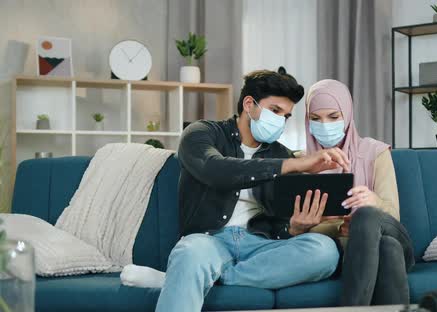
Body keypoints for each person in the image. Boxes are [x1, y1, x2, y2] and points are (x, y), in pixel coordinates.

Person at [122, 69, 351, 312]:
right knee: (190, 253)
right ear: (249, 104)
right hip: (208, 241)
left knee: (324, 251)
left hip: (261, 245)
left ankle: (189, 279)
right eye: (275, 111)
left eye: (286, 116)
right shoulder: (201, 133)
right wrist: (294, 163)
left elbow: (279, 221)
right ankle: (191, 273)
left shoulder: (279, 153)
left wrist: (296, 227)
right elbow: (214, 169)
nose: (281, 121)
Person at [305, 79, 415, 306]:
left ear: (347, 114)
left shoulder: (375, 152)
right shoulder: (301, 163)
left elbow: (393, 215)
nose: (324, 125)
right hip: (352, 253)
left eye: (333, 117)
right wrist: (336, 226)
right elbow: (296, 231)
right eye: (315, 119)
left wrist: (373, 201)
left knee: (366, 216)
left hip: (393, 234)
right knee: (387, 249)